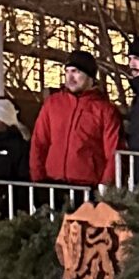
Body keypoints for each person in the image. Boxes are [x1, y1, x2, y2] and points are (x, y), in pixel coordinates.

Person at [29, 52, 121, 185]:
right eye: (67, 71)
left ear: (90, 76)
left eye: (76, 72)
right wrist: (38, 178)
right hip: (52, 182)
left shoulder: (105, 110)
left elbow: (113, 153)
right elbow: (39, 142)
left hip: (87, 185)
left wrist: (105, 185)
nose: (70, 77)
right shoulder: (52, 103)